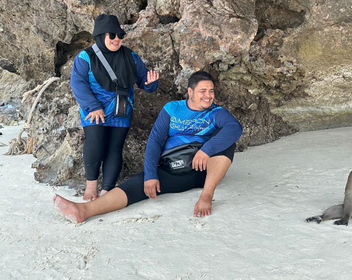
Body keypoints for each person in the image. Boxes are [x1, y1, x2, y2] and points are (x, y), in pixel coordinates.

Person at [54, 71, 243, 223]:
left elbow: (235, 128)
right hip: (172, 170)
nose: (209, 96)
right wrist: (151, 175)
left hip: (202, 170)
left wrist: (206, 150)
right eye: (203, 91)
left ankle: (207, 196)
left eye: (211, 91)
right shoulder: (172, 109)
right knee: (137, 185)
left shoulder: (216, 112)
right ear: (191, 92)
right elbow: (155, 141)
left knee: (227, 142)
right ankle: (84, 210)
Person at [70, 14, 159, 201]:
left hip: (121, 108)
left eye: (120, 35)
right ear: (101, 35)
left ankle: (107, 190)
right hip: (94, 109)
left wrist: (150, 83)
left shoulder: (131, 56)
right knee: (95, 141)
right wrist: (93, 106)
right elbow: (78, 83)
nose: (117, 39)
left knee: (114, 148)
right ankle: (91, 186)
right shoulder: (85, 57)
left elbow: (143, 81)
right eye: (112, 35)